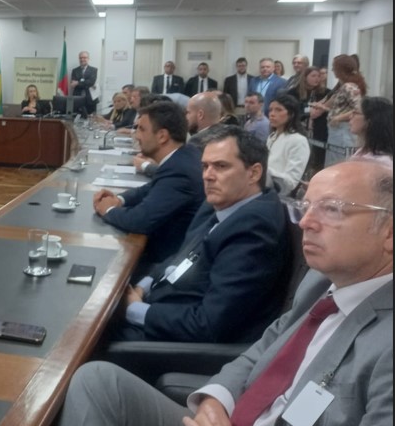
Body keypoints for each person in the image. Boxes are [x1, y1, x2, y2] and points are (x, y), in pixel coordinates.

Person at [54, 161, 392, 426]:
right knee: (97, 381)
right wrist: (217, 400)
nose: (305, 221)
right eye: (306, 207)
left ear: (389, 232)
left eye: (332, 209)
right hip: (233, 421)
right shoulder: (321, 282)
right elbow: (261, 351)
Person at [106, 124, 288, 342]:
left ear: (254, 173)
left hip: (172, 342)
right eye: (205, 166)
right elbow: (181, 255)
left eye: (221, 166)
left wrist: (133, 309)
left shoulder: (255, 229)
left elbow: (208, 324)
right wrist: (142, 287)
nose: (208, 176)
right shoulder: (222, 204)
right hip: (162, 305)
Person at [93, 102, 205, 278]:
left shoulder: (180, 170)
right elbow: (150, 188)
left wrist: (108, 210)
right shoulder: (184, 155)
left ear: (162, 136)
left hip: (163, 264)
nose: (136, 135)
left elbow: (140, 220)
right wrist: (120, 199)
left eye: (142, 129)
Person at [311, 54, 366, 167]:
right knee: (332, 160)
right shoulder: (342, 86)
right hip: (336, 130)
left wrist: (338, 118)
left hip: (343, 131)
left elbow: (358, 110)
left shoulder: (349, 87)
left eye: (334, 67)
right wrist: (325, 109)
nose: (332, 70)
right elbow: (342, 108)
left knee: (338, 162)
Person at [288, 66, 330, 174]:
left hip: (319, 131)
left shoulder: (326, 93)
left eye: (319, 76)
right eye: (313, 76)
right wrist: (307, 111)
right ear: (305, 77)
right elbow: (291, 109)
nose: (317, 79)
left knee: (318, 160)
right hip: (299, 129)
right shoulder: (294, 92)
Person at [267, 94, 310, 197]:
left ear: (291, 114)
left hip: (281, 195)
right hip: (266, 189)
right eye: (270, 110)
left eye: (278, 110)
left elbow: (291, 182)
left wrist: (264, 171)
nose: (272, 114)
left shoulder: (298, 140)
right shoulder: (272, 136)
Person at [350, 96, 393, 165]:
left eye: (355, 113)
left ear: (369, 121)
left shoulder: (381, 162)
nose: (350, 116)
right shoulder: (361, 151)